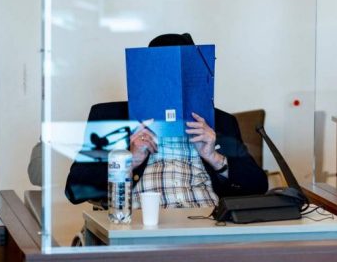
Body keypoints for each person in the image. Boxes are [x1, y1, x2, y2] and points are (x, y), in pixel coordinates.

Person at [65, 33, 268, 208]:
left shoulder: (220, 122)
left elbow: (258, 186)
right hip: (145, 223)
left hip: (207, 220)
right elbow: (75, 190)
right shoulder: (112, 118)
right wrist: (130, 161)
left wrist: (214, 157)